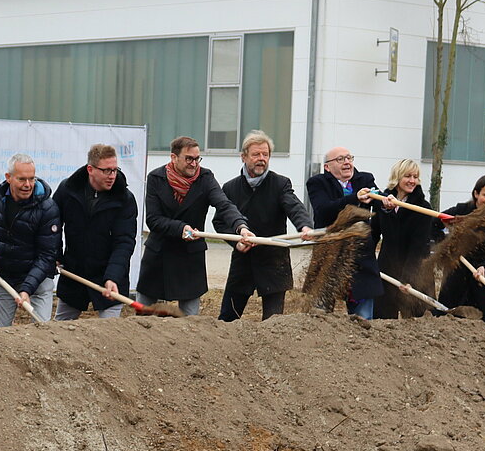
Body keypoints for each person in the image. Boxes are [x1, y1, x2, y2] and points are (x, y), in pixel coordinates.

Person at [137, 136, 252, 316]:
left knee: (191, 322)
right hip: (158, 256)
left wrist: (241, 227)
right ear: (174, 158)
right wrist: (180, 228)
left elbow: (224, 204)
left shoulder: (205, 178)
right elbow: (153, 219)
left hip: (190, 258)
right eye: (189, 159)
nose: (194, 164)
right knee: (143, 318)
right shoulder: (156, 178)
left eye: (197, 159)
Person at [217, 131, 312, 321]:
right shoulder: (230, 188)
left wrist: (304, 226)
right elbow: (220, 222)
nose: (261, 159)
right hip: (243, 263)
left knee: (273, 323)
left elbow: (294, 206)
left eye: (265, 154)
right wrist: (237, 243)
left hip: (273, 262)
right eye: (256, 154)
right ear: (243, 157)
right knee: (227, 319)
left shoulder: (280, 184)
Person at [52, 143, 137, 320]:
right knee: (60, 327)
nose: (112, 176)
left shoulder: (125, 199)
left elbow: (124, 242)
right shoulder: (68, 190)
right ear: (90, 169)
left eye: (115, 170)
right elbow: (52, 226)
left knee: (109, 330)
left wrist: (113, 277)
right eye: (106, 171)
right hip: (74, 273)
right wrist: (56, 255)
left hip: (109, 275)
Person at [0, 153, 61, 326]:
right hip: (5, 274)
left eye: (32, 179)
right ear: (8, 177)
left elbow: (47, 255)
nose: (28, 185)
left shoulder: (48, 208)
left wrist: (26, 289)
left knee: (42, 331)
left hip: (38, 279)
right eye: (22, 179)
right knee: (0, 332)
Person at [305, 146, 380, 317]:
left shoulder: (365, 179)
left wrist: (387, 202)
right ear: (327, 167)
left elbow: (377, 198)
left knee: (362, 316)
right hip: (329, 252)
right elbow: (323, 210)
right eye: (340, 159)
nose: (347, 162)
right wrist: (354, 198)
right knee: (320, 311)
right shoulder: (318, 183)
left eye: (349, 158)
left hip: (360, 254)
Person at [436, 175, 485, 325]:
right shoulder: (462, 211)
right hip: (457, 273)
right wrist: (446, 244)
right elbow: (434, 223)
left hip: (483, 278)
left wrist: (484, 267)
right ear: (476, 194)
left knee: (484, 324)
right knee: (448, 320)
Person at [372, 159, 438, 319]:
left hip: (416, 270)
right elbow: (373, 234)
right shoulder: (382, 203)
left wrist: (408, 278)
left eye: (415, 177)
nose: (412, 181)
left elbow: (418, 248)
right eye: (407, 176)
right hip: (387, 267)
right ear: (397, 177)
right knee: (384, 320)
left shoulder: (423, 208)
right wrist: (366, 262)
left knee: (418, 321)